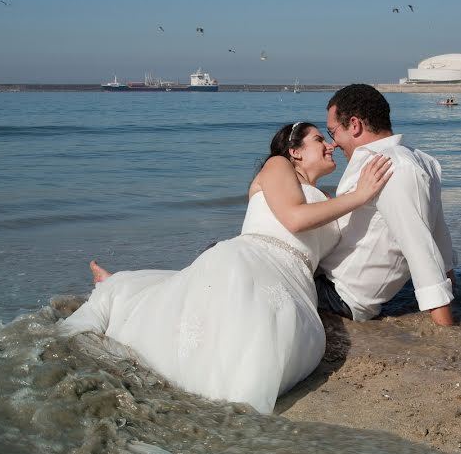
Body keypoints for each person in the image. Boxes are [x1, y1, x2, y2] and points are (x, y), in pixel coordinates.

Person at [61, 122, 392, 413]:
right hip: (251, 257)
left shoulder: (325, 196)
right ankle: (117, 292)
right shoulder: (279, 167)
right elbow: (293, 219)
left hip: (296, 279)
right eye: (320, 139)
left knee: (269, 332)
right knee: (238, 312)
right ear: (295, 151)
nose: (330, 144)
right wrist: (360, 196)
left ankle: (122, 285)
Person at [317, 84, 457, 326]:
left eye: (332, 133)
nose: (334, 144)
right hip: (335, 286)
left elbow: (420, 247)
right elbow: (438, 235)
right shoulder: (422, 160)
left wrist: (448, 330)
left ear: (354, 125)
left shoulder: (392, 167)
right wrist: (455, 290)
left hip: (338, 295)